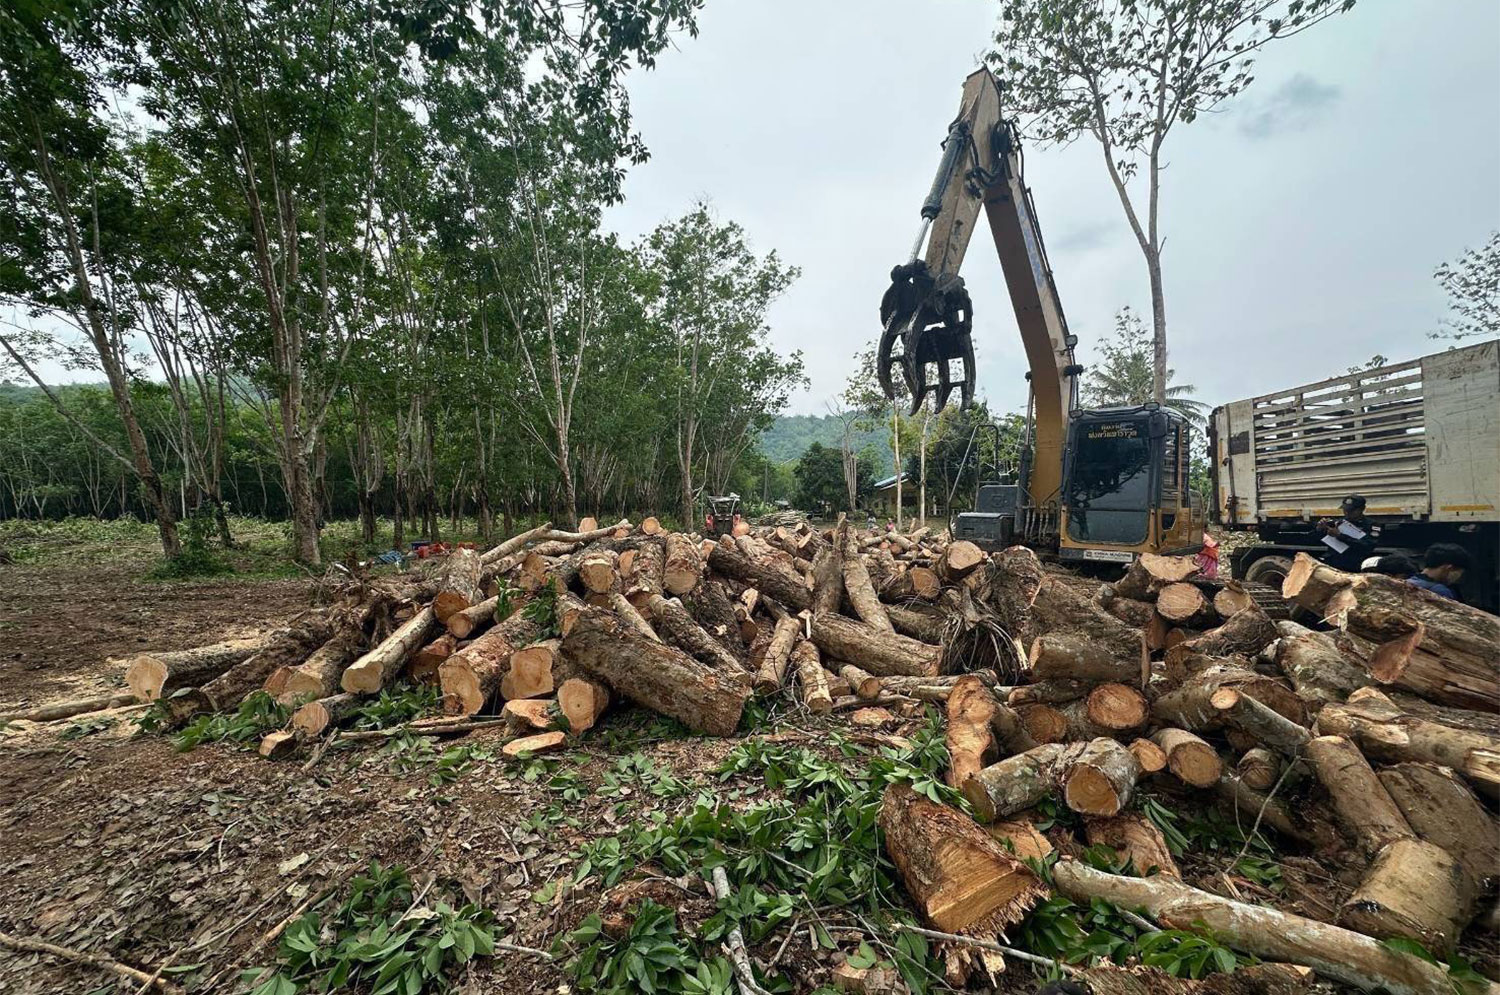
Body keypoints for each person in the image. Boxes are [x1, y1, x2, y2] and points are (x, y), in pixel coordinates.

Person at [1316, 494, 1381, 571]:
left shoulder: (1371, 525)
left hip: (1354, 563)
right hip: (1334, 562)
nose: (1347, 513)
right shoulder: (1338, 522)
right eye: (1345, 510)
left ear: (1362, 509)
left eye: (1351, 510)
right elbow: (1317, 541)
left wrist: (1340, 535)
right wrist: (1320, 529)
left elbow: (1367, 545)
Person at [1406, 543, 1471, 600]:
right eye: (1459, 572)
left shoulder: (1406, 583)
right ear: (1449, 568)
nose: (1458, 578)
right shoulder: (1440, 591)